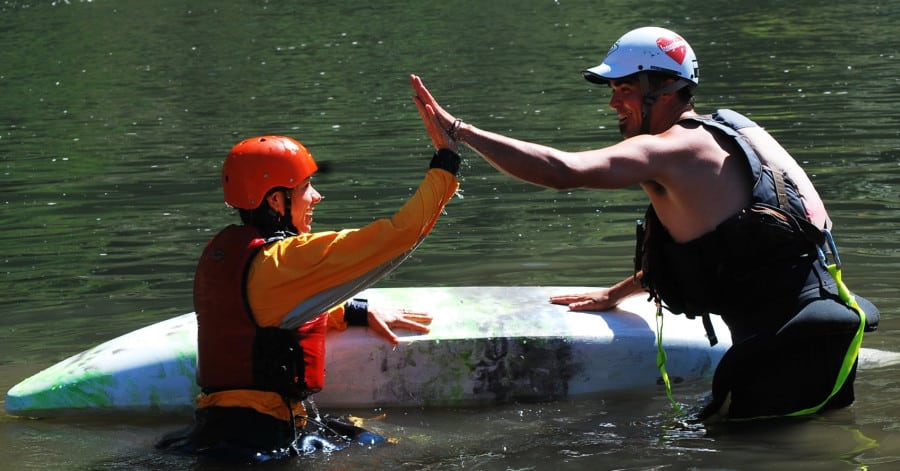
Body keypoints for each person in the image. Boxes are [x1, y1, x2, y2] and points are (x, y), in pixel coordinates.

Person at [410, 26, 878, 420]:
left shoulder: (667, 149)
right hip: (823, 331)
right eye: (613, 91)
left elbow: (561, 172)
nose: (614, 103)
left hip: (785, 351)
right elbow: (731, 253)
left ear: (666, 89)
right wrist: (616, 294)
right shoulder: (725, 137)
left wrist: (460, 132)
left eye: (626, 90)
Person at [157, 93, 461, 462]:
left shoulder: (224, 253)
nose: (316, 197)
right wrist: (446, 160)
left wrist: (355, 311)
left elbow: (262, 313)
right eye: (305, 189)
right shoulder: (288, 258)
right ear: (275, 201)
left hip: (215, 429)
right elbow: (400, 233)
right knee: (400, 453)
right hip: (266, 440)